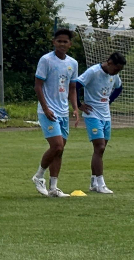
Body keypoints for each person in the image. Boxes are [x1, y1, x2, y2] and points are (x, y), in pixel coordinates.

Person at [32, 28, 79, 198]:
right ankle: (38, 176)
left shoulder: (73, 63)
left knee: (60, 150)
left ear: (70, 44)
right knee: (57, 145)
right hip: (48, 111)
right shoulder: (46, 60)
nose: (62, 44)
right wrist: (45, 108)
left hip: (63, 111)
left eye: (65, 41)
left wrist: (74, 107)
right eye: (59, 41)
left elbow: (72, 87)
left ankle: (53, 187)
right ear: (54, 42)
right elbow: (38, 85)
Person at [74, 52, 126, 194]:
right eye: (116, 69)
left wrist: (110, 100)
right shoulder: (93, 72)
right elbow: (75, 86)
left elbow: (119, 88)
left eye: (119, 71)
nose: (116, 73)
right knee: (100, 147)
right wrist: (79, 105)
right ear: (109, 62)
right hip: (92, 114)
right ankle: (101, 183)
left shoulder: (114, 75)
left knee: (100, 150)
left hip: (106, 115)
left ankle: (93, 182)